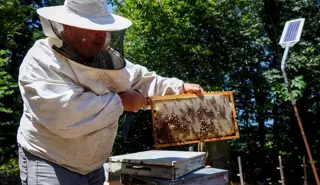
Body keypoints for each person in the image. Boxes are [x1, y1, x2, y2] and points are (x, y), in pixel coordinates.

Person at [17, 0, 204, 184]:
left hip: (94, 167)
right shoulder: (41, 61)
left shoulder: (107, 60)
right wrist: (121, 102)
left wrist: (178, 88)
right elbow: (65, 114)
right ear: (69, 28)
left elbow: (141, 79)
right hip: (50, 161)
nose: (101, 36)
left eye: (103, 28)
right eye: (92, 27)